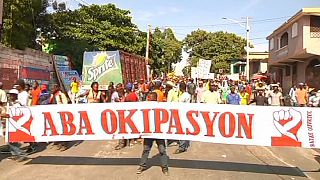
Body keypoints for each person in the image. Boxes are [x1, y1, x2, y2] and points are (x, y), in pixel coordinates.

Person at [136, 92, 169, 175]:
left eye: (152, 99)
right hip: (149, 132)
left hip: (159, 132)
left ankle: (165, 168)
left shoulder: (161, 106)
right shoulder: (144, 106)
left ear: (156, 99)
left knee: (162, 151)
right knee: (146, 150)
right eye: (150, 98)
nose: (150, 100)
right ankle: (142, 166)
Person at [174, 82, 191, 154]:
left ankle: (182, 146)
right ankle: (182, 145)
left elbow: (180, 104)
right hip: (184, 113)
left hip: (183, 113)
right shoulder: (187, 95)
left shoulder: (184, 95)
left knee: (182, 130)